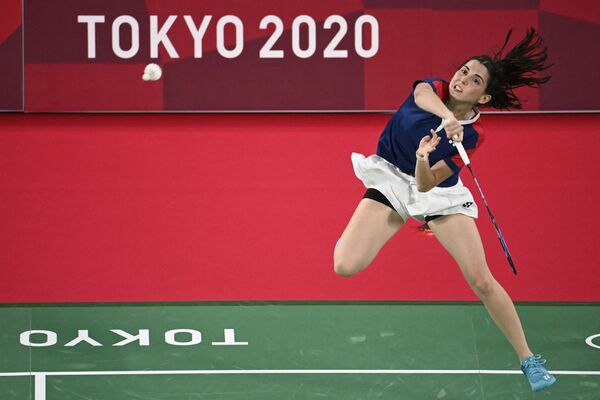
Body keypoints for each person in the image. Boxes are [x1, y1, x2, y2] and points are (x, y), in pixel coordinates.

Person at [333, 27, 555, 392]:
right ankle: (355, 234)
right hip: (391, 177)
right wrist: (444, 120)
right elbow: (422, 96)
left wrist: (425, 157)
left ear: (483, 96)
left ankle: (528, 358)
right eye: (463, 71)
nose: (462, 80)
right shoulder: (433, 89)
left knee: (481, 280)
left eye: (474, 80)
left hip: (438, 194)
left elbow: (426, 185)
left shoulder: (471, 136)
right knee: (345, 265)